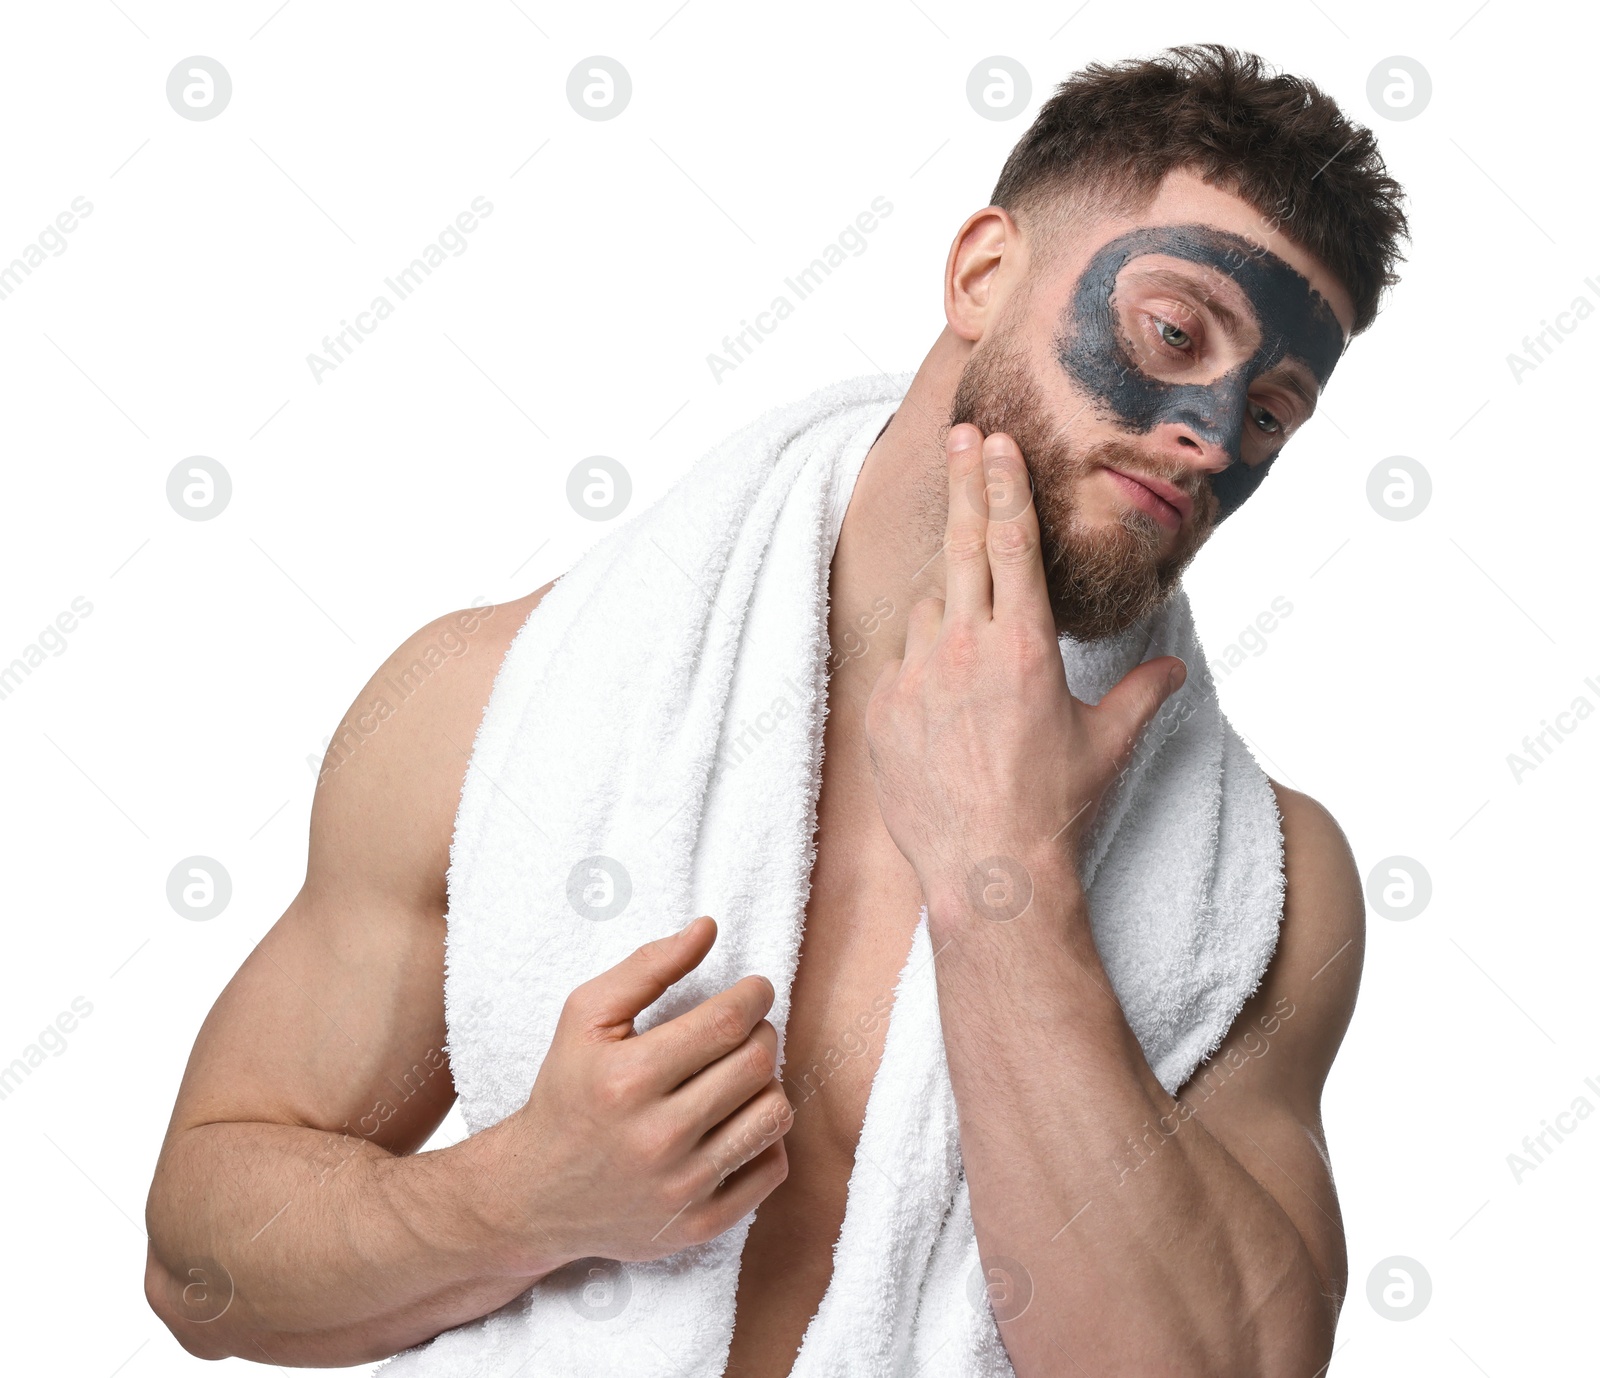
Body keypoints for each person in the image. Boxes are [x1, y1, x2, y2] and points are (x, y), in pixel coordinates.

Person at [144, 43, 1408, 1376]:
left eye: (1271, 410)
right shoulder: (493, 709)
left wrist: (1008, 874)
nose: (1213, 431)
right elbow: (198, 1268)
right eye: (1171, 330)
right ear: (985, 273)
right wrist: (517, 1198)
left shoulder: (1271, 891)